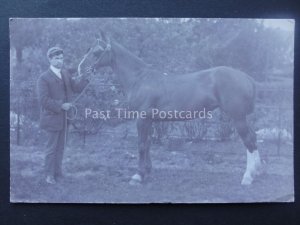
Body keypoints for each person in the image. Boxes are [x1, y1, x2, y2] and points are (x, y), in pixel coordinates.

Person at [37, 47, 88, 184]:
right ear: (50, 59)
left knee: (61, 147)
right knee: (51, 148)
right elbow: (43, 100)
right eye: (56, 58)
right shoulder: (44, 78)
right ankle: (49, 175)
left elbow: (76, 88)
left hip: (65, 118)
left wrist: (85, 77)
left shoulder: (65, 74)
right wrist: (60, 105)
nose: (60, 61)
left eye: (61, 58)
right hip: (52, 118)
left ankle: (58, 173)